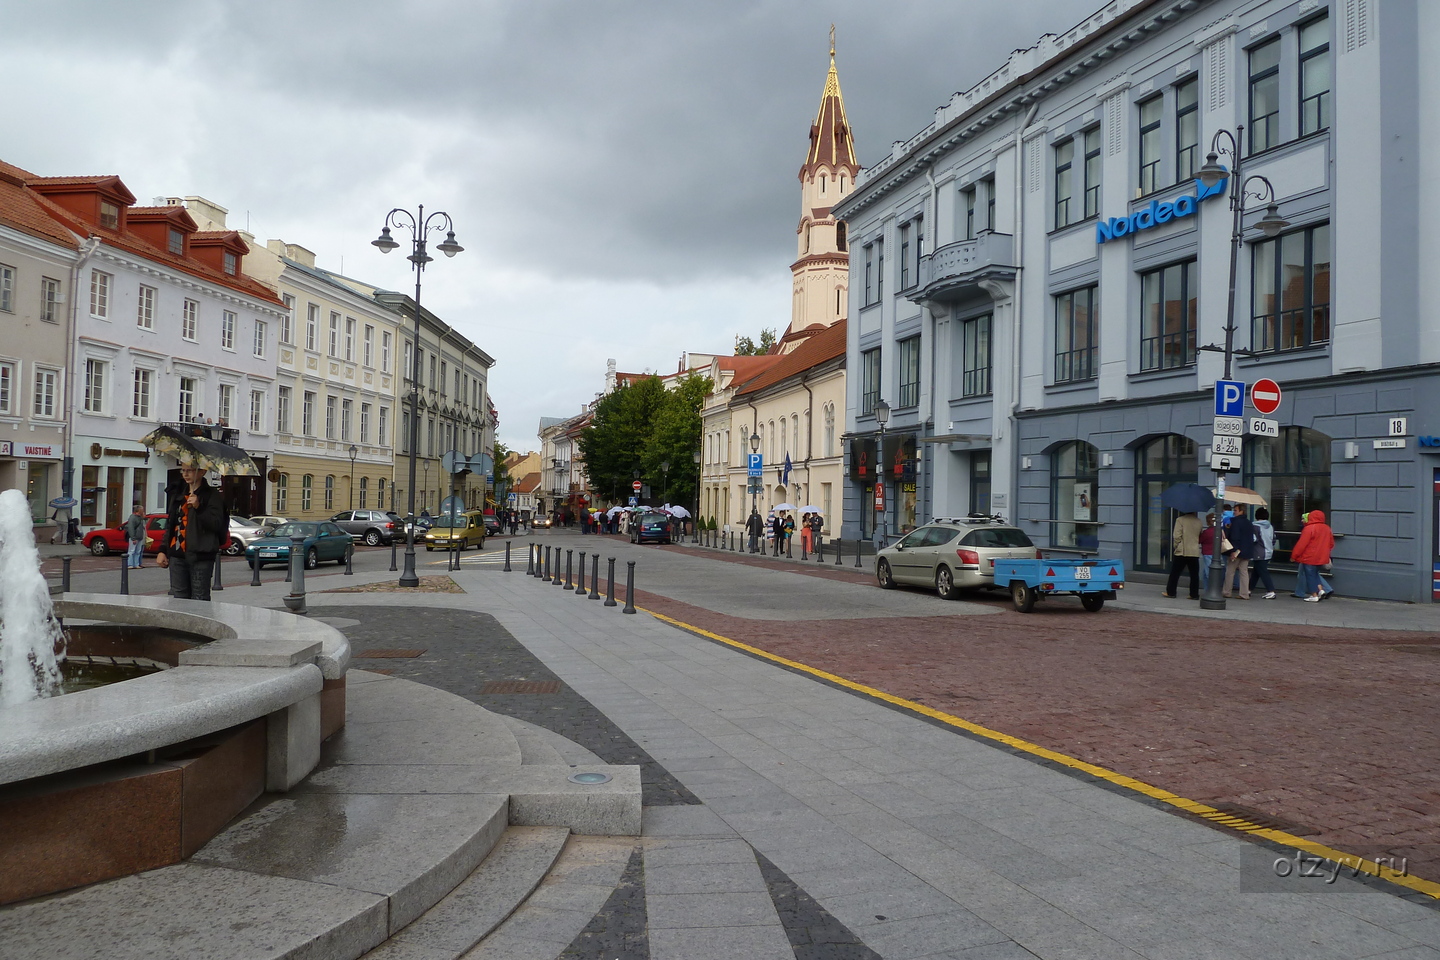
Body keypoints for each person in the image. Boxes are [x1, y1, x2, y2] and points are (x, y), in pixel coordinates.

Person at [157, 464, 227, 600]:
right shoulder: (178, 494)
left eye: (190, 470)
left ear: (202, 472)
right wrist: (163, 550)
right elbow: (172, 524)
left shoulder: (212, 495)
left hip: (201, 554)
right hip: (177, 554)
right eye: (183, 470)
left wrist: (198, 507)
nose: (185, 474)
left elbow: (216, 524)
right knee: (179, 598)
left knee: (200, 598)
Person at [1291, 509, 1335, 601]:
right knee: (1315, 574)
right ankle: (1321, 590)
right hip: (1322, 557)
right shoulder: (1327, 528)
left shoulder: (1309, 528)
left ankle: (1314, 595)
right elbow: (1331, 544)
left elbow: (1301, 544)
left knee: (1310, 576)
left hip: (1309, 556)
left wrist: (1294, 556)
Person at [1163, 511, 1202, 599]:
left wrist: (1176, 546)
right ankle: (1194, 594)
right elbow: (1200, 535)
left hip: (1182, 550)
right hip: (1194, 550)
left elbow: (1177, 536)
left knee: (1175, 573)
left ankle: (1171, 592)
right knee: (1194, 575)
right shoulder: (1199, 521)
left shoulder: (1180, 520)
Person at [1222, 503, 1255, 600]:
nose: (1234, 512)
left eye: (1235, 510)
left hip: (1237, 551)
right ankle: (1244, 593)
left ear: (1241, 511)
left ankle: (1227, 591)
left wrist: (1233, 551)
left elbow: (1235, 537)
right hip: (1247, 551)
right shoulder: (1249, 522)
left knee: (1230, 571)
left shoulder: (1235, 522)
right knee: (1244, 572)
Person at [1249, 507, 1278, 599]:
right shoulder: (1270, 526)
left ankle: (1271, 590)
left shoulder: (1254, 526)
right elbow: (1274, 539)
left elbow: (1253, 539)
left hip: (1258, 551)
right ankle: (1249, 589)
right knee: (1256, 572)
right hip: (1268, 551)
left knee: (1262, 572)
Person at [123, 503, 147, 570]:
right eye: (142, 510)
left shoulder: (140, 518)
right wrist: (133, 537)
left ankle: (136, 564)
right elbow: (131, 528)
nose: (143, 511)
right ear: (138, 510)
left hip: (140, 537)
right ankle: (130, 564)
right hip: (135, 537)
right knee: (132, 551)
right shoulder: (132, 517)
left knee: (138, 551)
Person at [1197, 513, 1216, 591]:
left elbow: (1200, 540)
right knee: (1206, 573)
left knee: (1208, 573)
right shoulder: (1219, 531)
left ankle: (1209, 590)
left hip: (1207, 553)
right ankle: (1207, 589)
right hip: (1216, 553)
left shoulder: (1207, 532)